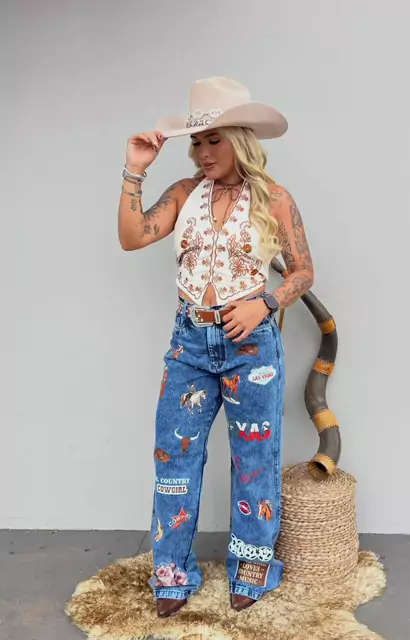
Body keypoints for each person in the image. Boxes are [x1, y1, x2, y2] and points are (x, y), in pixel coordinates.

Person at [117, 77, 314, 618]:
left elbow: (303, 271)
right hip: (190, 340)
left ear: (241, 139)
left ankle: (253, 566)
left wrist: (266, 304)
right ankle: (171, 571)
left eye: (215, 140)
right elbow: (132, 237)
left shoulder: (275, 198)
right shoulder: (184, 193)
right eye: (198, 142)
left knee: (255, 460)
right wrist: (135, 169)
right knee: (174, 456)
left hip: (251, 344)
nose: (204, 153)